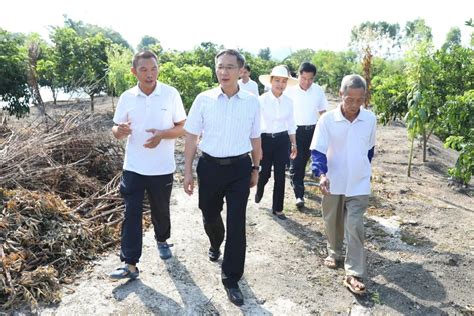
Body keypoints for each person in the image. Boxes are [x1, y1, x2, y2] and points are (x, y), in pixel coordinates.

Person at [183, 49, 262, 306]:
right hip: (210, 167)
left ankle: (231, 279)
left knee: (237, 222)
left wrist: (256, 167)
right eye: (220, 67)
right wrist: (187, 172)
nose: (224, 72)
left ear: (241, 71)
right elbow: (192, 137)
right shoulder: (203, 99)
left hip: (239, 168)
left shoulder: (251, 102)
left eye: (229, 67)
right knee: (209, 213)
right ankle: (216, 241)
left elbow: (255, 138)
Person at [109, 50, 187, 280]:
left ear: (158, 69)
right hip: (133, 166)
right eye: (143, 69)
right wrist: (119, 131)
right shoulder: (127, 97)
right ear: (134, 72)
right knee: (131, 212)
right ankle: (130, 263)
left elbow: (183, 126)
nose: (149, 74)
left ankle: (162, 239)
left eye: (153, 68)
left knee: (160, 210)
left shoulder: (170, 94)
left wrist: (163, 135)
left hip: (162, 167)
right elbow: (116, 129)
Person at [310, 74, 376, 295]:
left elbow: (369, 150)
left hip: (359, 183)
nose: (354, 105)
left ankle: (354, 272)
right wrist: (321, 175)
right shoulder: (327, 120)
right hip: (333, 181)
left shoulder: (370, 119)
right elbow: (318, 151)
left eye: (360, 100)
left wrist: (361, 169)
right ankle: (334, 251)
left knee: (354, 225)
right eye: (350, 99)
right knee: (332, 221)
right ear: (341, 95)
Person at [255, 65, 298, 220]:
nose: (280, 84)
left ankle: (278, 208)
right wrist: (257, 147)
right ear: (271, 81)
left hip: (282, 140)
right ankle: (260, 187)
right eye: (277, 80)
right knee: (265, 173)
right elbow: (256, 125)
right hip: (265, 139)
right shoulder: (261, 100)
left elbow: (291, 123)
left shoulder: (288, 101)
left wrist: (294, 143)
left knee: (280, 175)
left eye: (284, 81)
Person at [285, 62, 328, 208]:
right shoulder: (289, 91)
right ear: (298, 75)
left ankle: (296, 180)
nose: (307, 82)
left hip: (312, 130)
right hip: (295, 132)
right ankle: (299, 195)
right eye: (304, 78)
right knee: (297, 163)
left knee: (305, 161)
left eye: (310, 79)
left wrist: (326, 129)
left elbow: (323, 112)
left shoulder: (317, 91)